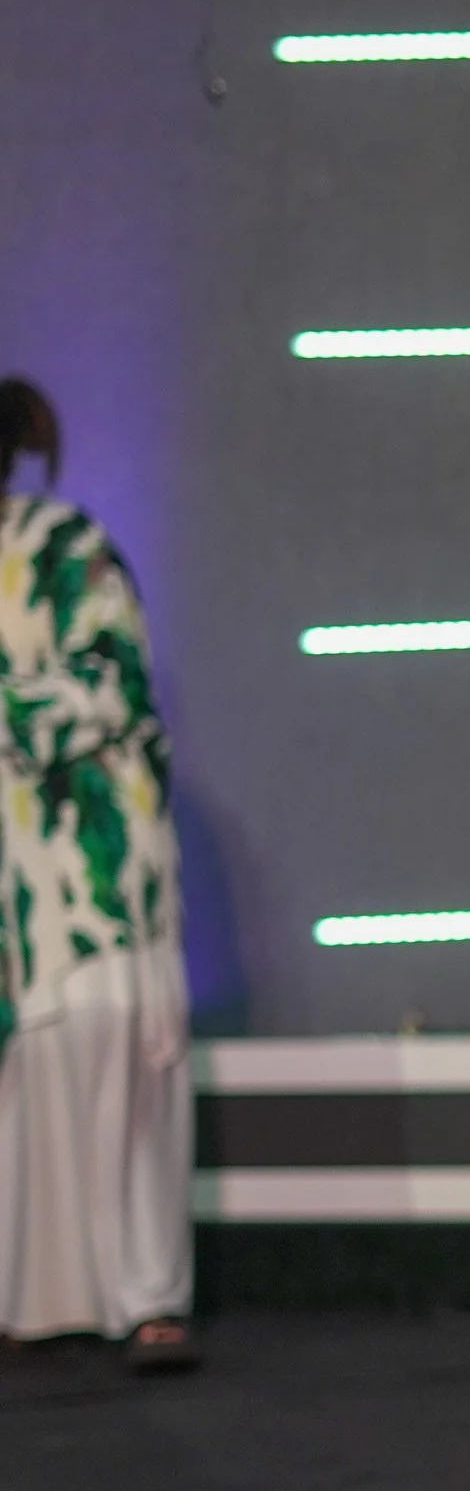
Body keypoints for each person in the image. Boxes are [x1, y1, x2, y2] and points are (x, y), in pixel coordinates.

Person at [0, 379, 193, 1369]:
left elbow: (112, 679)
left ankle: (148, 1299)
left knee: (114, 1073)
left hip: (87, 875)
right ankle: (36, 1299)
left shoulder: (64, 548)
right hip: (10, 894)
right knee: (25, 1091)